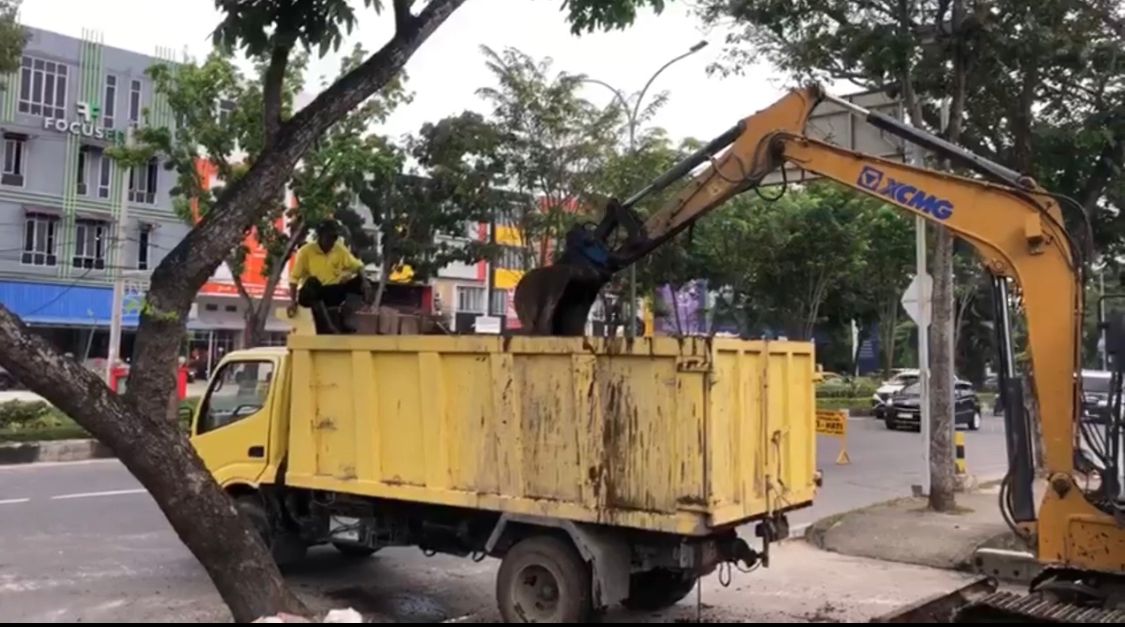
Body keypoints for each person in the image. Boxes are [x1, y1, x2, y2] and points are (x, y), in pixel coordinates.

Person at [287, 219, 372, 333]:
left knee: (361, 281)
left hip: (331, 293)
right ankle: (326, 325)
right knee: (313, 282)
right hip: (312, 294)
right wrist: (292, 302)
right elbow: (294, 278)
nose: (332, 241)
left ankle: (348, 319)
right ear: (321, 236)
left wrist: (365, 282)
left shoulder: (339, 249)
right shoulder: (306, 252)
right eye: (329, 237)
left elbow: (358, 266)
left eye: (335, 237)